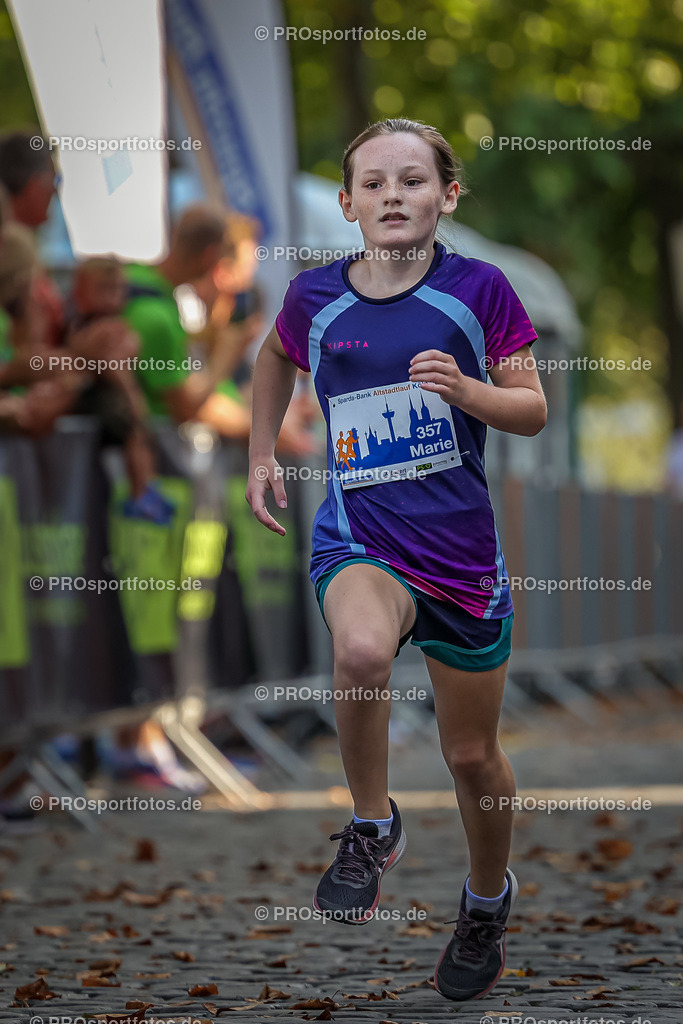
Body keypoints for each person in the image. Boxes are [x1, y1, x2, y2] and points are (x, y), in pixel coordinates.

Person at [246, 118, 546, 1002]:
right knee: (362, 652)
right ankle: (371, 825)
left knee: (469, 755)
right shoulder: (314, 299)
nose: (391, 197)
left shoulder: (480, 291)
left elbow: (530, 409)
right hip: (361, 536)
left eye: (412, 182)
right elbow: (272, 357)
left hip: (458, 558)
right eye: (372, 184)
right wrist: (261, 452)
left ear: (446, 196)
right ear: (345, 204)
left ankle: (485, 900)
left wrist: (467, 391)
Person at [122, 204, 249, 423]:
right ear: (210, 256)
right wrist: (228, 354)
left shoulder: (133, 276)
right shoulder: (158, 318)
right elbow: (186, 408)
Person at [0, 130, 65, 348]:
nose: (56, 191)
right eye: (56, 180)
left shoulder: (15, 244)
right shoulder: (13, 247)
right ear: (36, 184)